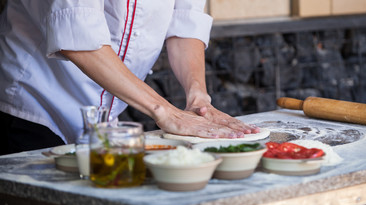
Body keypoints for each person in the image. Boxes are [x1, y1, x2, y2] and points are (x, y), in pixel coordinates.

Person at [0, 0, 259, 155]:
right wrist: (166, 112)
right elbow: (76, 36)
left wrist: (198, 97)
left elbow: (185, 23)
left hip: (105, 114)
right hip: (34, 102)